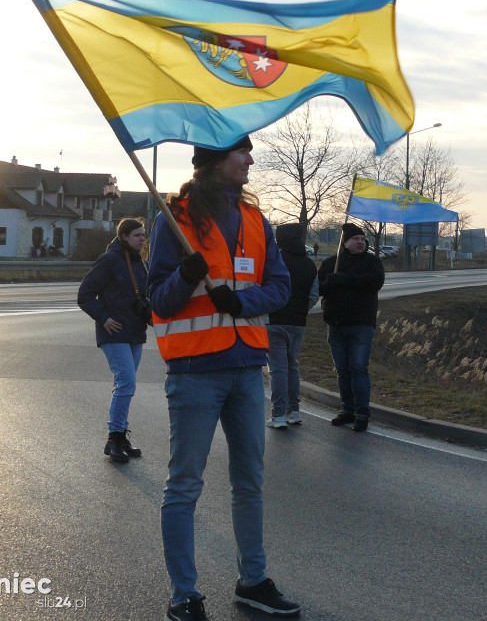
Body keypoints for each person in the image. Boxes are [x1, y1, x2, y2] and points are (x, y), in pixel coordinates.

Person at [147, 136, 300, 620]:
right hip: (195, 371)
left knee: (250, 482)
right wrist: (186, 276)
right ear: (215, 162)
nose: (251, 160)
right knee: (184, 484)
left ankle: (252, 581)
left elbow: (280, 285)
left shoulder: (257, 220)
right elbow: (159, 300)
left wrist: (245, 302)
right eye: (243, 153)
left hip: (249, 369)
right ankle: (184, 594)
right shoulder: (174, 219)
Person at [76, 217, 151, 463]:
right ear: (124, 237)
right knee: (126, 382)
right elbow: (85, 294)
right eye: (137, 234)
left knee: (127, 387)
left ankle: (121, 437)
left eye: (143, 234)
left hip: (135, 332)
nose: (142, 238)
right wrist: (104, 319)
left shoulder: (141, 262)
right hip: (114, 332)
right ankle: (114, 437)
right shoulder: (110, 260)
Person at [317, 223, 386, 432]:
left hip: (361, 324)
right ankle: (347, 409)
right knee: (342, 371)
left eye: (363, 239)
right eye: (356, 239)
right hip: (336, 324)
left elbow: (375, 282)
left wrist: (347, 280)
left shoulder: (372, 262)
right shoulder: (331, 263)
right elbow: (318, 288)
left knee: (358, 368)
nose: (360, 242)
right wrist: (329, 283)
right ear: (345, 243)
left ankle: (362, 413)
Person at [266, 223, 319, 429]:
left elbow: (264, 288)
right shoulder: (309, 264)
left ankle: (278, 414)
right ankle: (294, 411)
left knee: (277, 369)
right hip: (298, 322)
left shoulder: (274, 261)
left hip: (274, 320)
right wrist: (301, 310)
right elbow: (314, 294)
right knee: (292, 366)